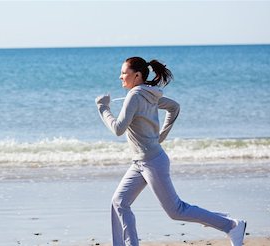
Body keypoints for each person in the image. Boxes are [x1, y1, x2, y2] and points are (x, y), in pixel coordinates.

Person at [95, 57, 246, 246]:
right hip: (141, 162)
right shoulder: (148, 94)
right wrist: (160, 136)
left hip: (152, 162)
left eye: (124, 73)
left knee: (176, 210)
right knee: (119, 202)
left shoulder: (135, 95)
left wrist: (103, 108)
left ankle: (231, 226)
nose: (120, 77)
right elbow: (174, 107)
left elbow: (118, 129)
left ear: (137, 75)